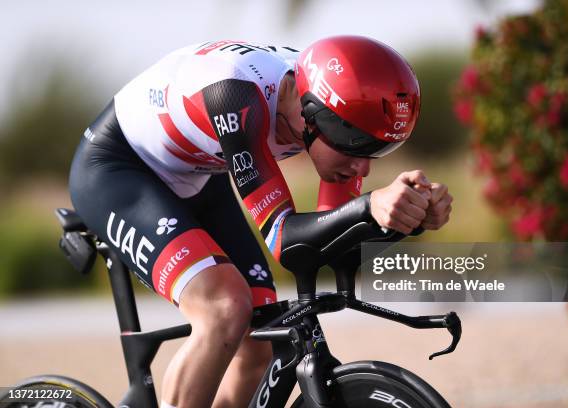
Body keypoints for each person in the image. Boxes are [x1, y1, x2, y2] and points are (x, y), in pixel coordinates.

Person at [68, 36, 453, 408]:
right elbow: (285, 241)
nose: (364, 167)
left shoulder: (332, 111)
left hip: (200, 174)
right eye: (358, 147)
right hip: (118, 169)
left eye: (378, 150)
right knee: (223, 309)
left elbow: (333, 240)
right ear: (313, 116)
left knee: (259, 344)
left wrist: (406, 219)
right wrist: (370, 206)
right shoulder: (235, 95)